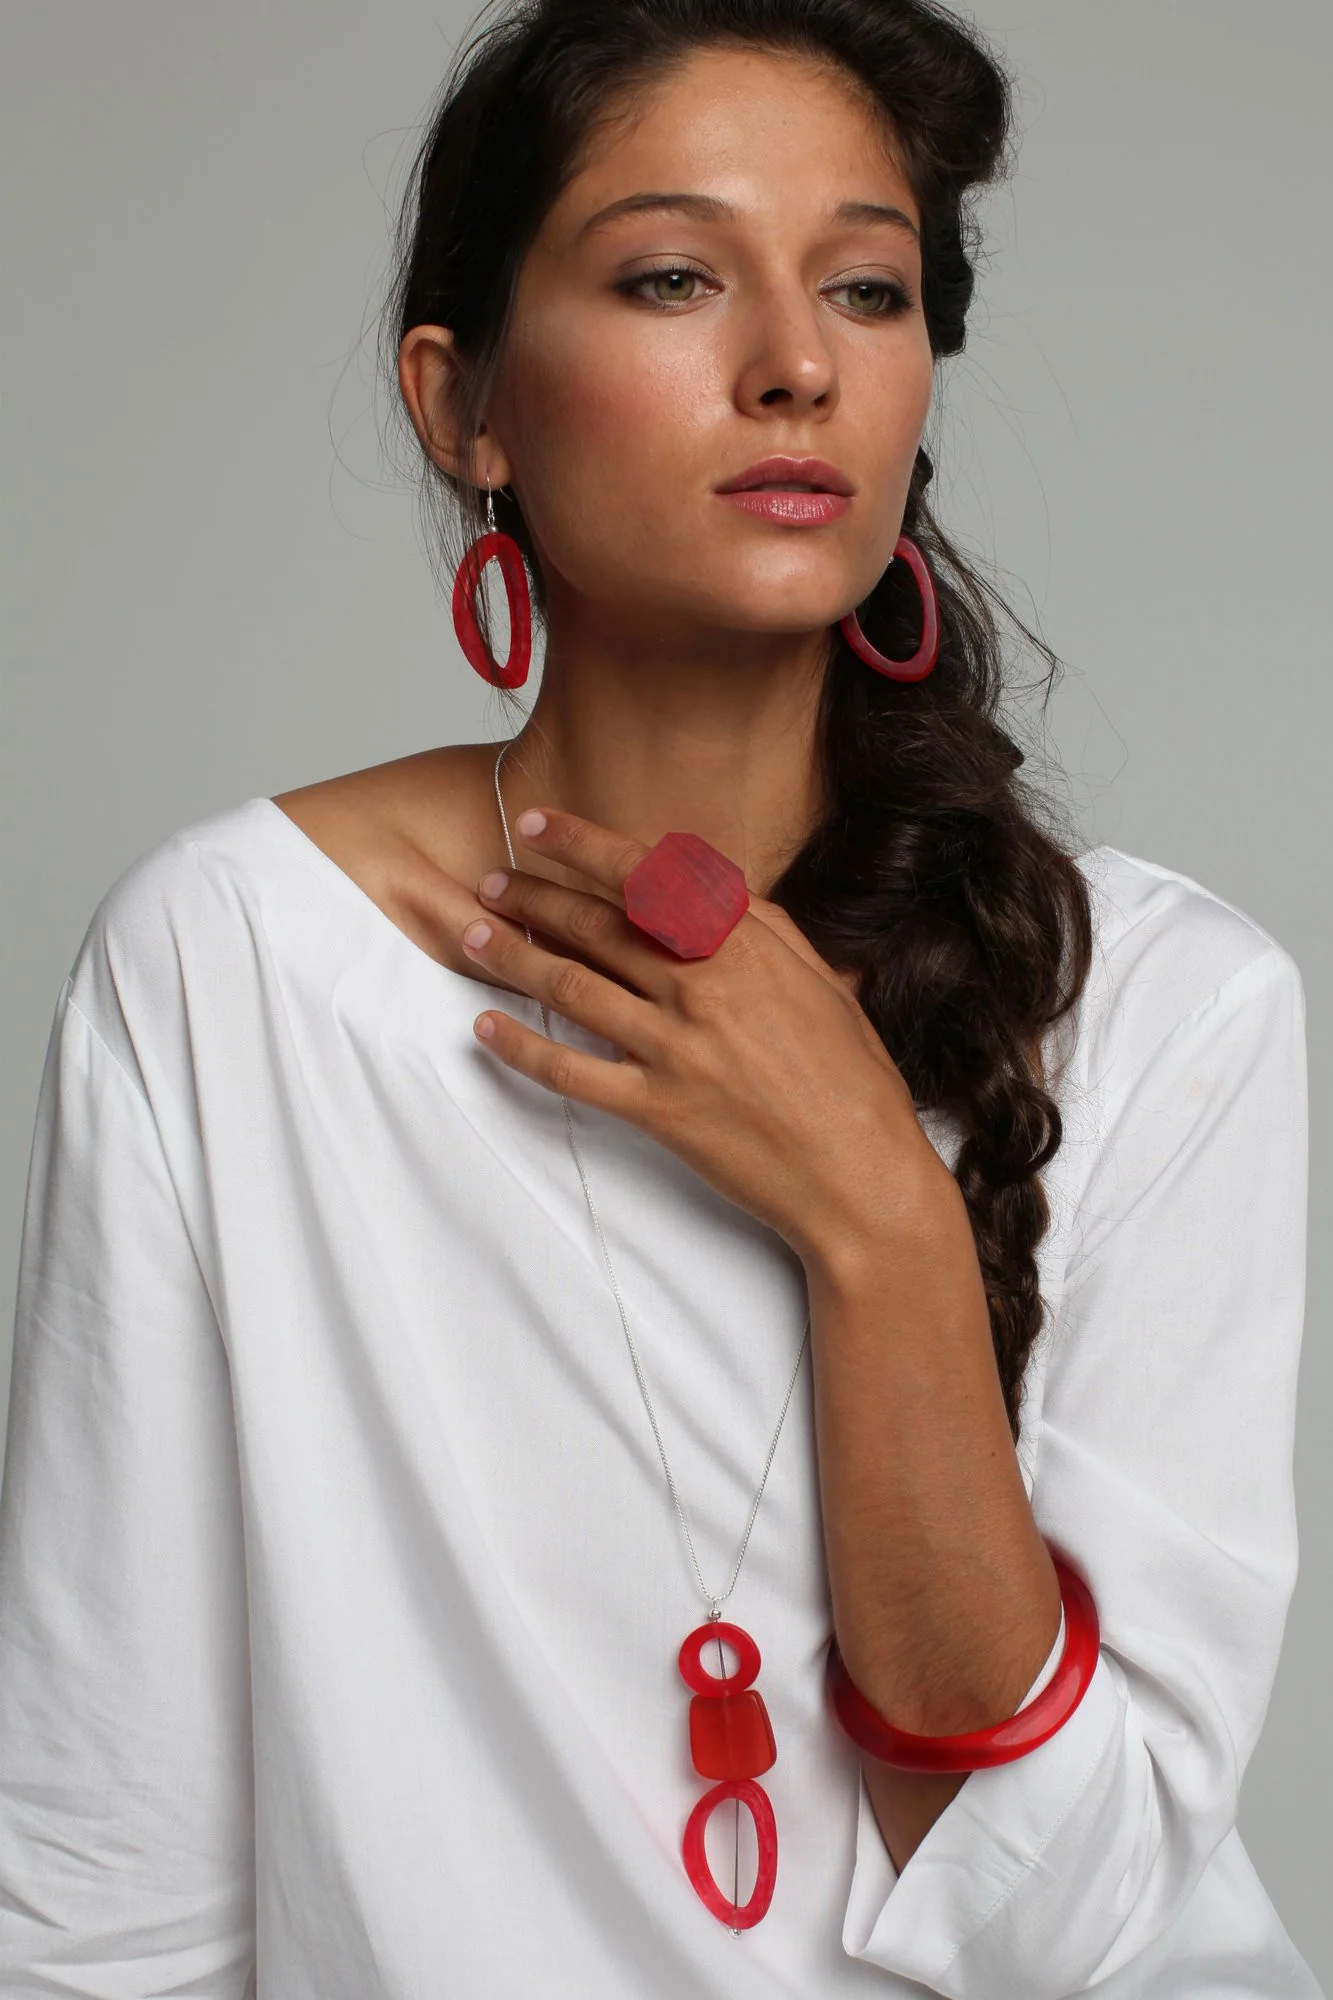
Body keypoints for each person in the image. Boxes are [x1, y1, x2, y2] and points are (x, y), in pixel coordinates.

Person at [0, 0, 1321, 1993]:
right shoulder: (234, 965)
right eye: (673, 278)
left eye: (867, 288)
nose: (796, 363)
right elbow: (107, 1891)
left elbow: (1084, 1924)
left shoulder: (1165, 1008)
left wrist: (880, 1220)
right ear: (464, 405)